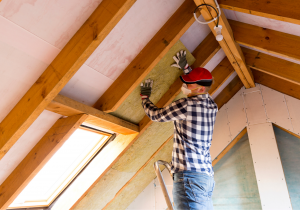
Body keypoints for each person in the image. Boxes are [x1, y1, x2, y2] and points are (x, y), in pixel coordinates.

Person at [140, 50, 218, 210]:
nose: (185, 86)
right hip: (205, 177)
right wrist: (187, 69)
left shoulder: (186, 105)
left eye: (190, 84)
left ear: (201, 89)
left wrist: (145, 99)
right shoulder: (212, 105)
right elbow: (200, 85)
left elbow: (156, 115)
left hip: (189, 178)